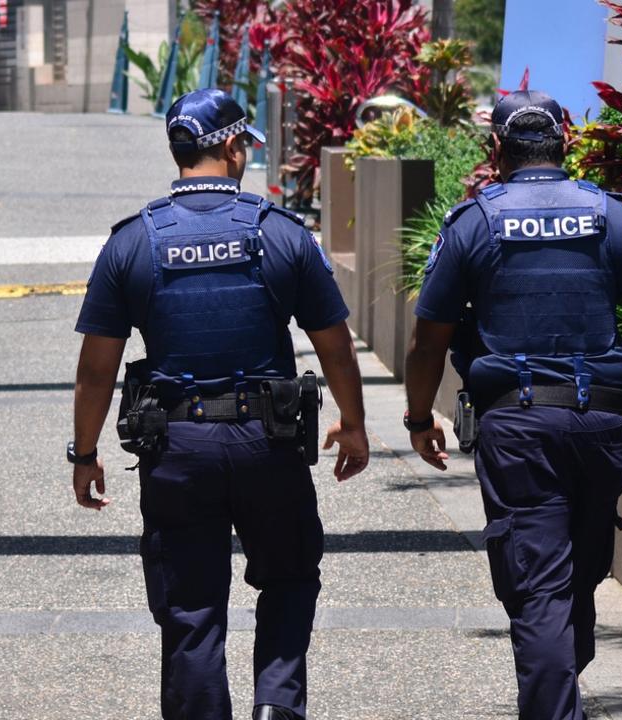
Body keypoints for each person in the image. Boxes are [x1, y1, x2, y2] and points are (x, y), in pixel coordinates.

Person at [402, 90, 622, 719]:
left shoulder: (475, 224)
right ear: (567, 142)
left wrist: (417, 418)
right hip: (602, 426)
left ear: (497, 149)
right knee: (575, 576)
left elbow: (428, 338)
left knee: (542, 588)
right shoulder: (614, 218)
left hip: (518, 428)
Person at [69, 88, 370, 720]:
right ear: (231, 146)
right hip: (270, 445)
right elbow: (336, 347)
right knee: (288, 577)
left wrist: (86, 452)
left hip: (177, 450)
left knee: (191, 607)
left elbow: (96, 368)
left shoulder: (132, 242)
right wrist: (354, 423)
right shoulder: (281, 233)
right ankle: (277, 707)